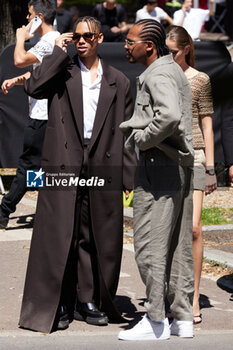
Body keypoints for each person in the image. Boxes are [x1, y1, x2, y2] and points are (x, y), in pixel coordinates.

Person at [18, 16, 136, 333]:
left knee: (93, 233)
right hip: (63, 159)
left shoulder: (119, 80)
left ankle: (88, 300)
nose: (80, 41)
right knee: (60, 234)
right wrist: (57, 52)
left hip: (101, 162)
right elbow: (34, 86)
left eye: (87, 36)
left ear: (98, 38)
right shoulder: (62, 71)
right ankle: (58, 301)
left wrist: (127, 176)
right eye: (76, 36)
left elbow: (126, 133)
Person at [118, 19, 194, 341]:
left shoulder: (159, 73)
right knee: (177, 247)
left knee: (148, 246)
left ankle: (155, 321)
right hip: (175, 170)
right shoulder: (171, 69)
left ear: (148, 46)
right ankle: (182, 319)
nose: (125, 45)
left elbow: (170, 115)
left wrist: (143, 139)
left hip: (159, 171)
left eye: (130, 41)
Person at [166, 25, 217, 325]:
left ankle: (195, 295)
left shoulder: (201, 80)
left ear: (186, 49)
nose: (170, 57)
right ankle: (175, 294)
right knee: (172, 229)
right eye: (166, 52)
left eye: (174, 52)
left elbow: (208, 124)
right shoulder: (160, 78)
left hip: (196, 155)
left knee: (195, 228)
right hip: (167, 158)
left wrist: (211, 167)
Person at [0, 0, 59, 230]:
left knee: (27, 166)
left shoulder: (49, 41)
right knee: (40, 167)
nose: (26, 19)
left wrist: (20, 39)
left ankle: (4, 210)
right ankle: (50, 211)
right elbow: (38, 71)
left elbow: (19, 59)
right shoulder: (52, 41)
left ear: (39, 18)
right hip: (45, 115)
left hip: (43, 116)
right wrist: (17, 79)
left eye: (30, 15)